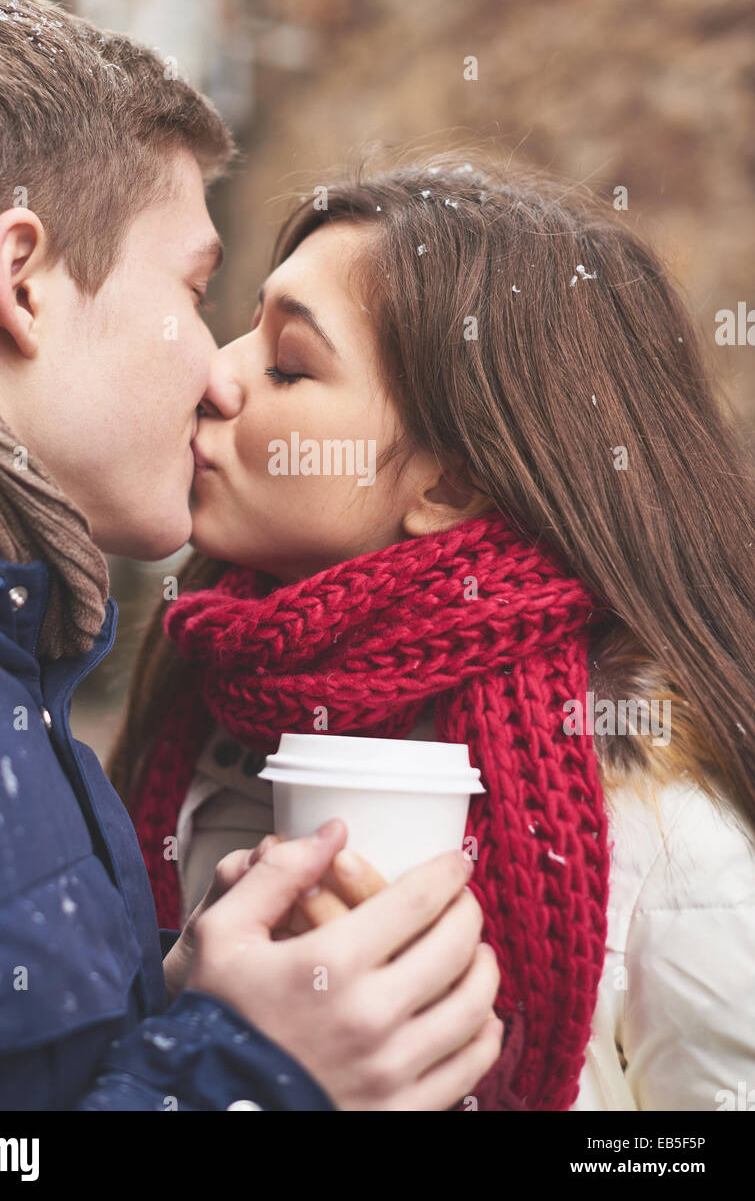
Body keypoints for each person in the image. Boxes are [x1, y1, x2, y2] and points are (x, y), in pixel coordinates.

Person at [0, 0, 506, 1112]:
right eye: (194, 290)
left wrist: (179, 1012)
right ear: (20, 281)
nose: (217, 375)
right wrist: (250, 1077)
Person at [112, 160, 755, 1111]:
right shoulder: (203, 678)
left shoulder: (649, 803)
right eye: (246, 326)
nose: (216, 371)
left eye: (287, 363)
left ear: (446, 486)